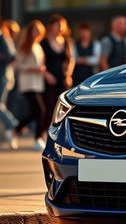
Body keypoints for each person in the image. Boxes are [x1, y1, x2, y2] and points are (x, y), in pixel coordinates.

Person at [14, 20, 47, 150]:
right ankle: (37, 139)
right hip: (28, 83)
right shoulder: (24, 46)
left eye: (39, 30)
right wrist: (31, 68)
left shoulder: (38, 47)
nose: (37, 33)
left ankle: (15, 130)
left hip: (38, 82)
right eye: (35, 30)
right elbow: (18, 65)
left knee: (35, 111)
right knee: (40, 110)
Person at [41, 14, 75, 129]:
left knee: (63, 108)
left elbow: (71, 60)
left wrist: (69, 75)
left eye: (62, 25)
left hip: (63, 79)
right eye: (57, 25)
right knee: (49, 107)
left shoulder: (66, 41)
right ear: (51, 26)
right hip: (49, 80)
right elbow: (40, 62)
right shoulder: (43, 43)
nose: (59, 28)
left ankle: (60, 131)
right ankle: (45, 132)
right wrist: (46, 75)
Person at [0, 20, 18, 149]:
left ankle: (12, 124)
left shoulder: (3, 38)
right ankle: (8, 131)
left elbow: (12, 57)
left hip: (3, 77)